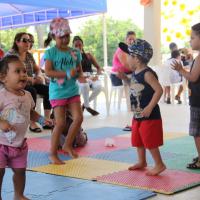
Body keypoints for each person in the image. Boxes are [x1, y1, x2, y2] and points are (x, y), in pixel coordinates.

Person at [0, 55, 51, 200]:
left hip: (19, 144)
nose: (23, 74)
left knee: (20, 171)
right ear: (4, 77)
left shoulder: (27, 95)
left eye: (24, 71)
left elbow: (30, 113)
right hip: (1, 144)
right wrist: (1, 123)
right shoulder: (2, 96)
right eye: (17, 71)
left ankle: (18, 195)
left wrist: (42, 120)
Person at [119, 39, 166, 176]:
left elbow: (159, 90)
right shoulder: (135, 73)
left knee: (149, 140)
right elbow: (135, 87)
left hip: (149, 114)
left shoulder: (147, 73)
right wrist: (125, 79)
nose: (127, 58)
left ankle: (159, 164)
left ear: (137, 59)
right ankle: (142, 161)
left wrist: (150, 107)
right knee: (138, 139)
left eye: (129, 55)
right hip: (138, 113)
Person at [44, 17, 83, 164]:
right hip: (58, 92)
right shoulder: (51, 52)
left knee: (78, 118)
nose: (65, 39)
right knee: (60, 123)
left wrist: (79, 75)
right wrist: (66, 74)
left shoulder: (75, 52)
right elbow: (48, 71)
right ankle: (52, 153)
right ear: (54, 36)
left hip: (72, 90)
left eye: (67, 36)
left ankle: (67, 144)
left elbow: (79, 71)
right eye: (61, 37)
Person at [6, 32, 52, 133]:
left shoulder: (28, 55)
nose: (28, 43)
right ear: (17, 42)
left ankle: (46, 120)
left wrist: (39, 75)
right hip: (15, 85)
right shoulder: (11, 56)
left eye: (29, 40)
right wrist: (31, 79)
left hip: (30, 82)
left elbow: (37, 69)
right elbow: (12, 75)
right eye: (25, 40)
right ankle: (32, 123)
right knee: (31, 91)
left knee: (49, 89)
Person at [172, 22, 200, 169]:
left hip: (198, 102)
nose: (190, 40)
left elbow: (193, 77)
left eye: (192, 37)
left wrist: (181, 69)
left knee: (197, 132)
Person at [111, 31, 136, 131]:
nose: (132, 41)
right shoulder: (121, 50)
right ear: (126, 40)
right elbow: (126, 65)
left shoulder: (132, 50)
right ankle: (132, 106)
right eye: (130, 39)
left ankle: (136, 106)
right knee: (135, 79)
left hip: (127, 74)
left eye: (134, 39)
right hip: (117, 76)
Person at [73, 35, 103, 116]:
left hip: (91, 76)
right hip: (79, 77)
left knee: (99, 87)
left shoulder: (88, 55)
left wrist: (97, 75)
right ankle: (88, 107)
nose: (78, 47)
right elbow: (72, 71)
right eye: (76, 45)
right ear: (73, 46)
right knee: (84, 86)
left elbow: (99, 68)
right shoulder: (72, 56)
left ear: (83, 45)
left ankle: (85, 105)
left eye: (80, 45)